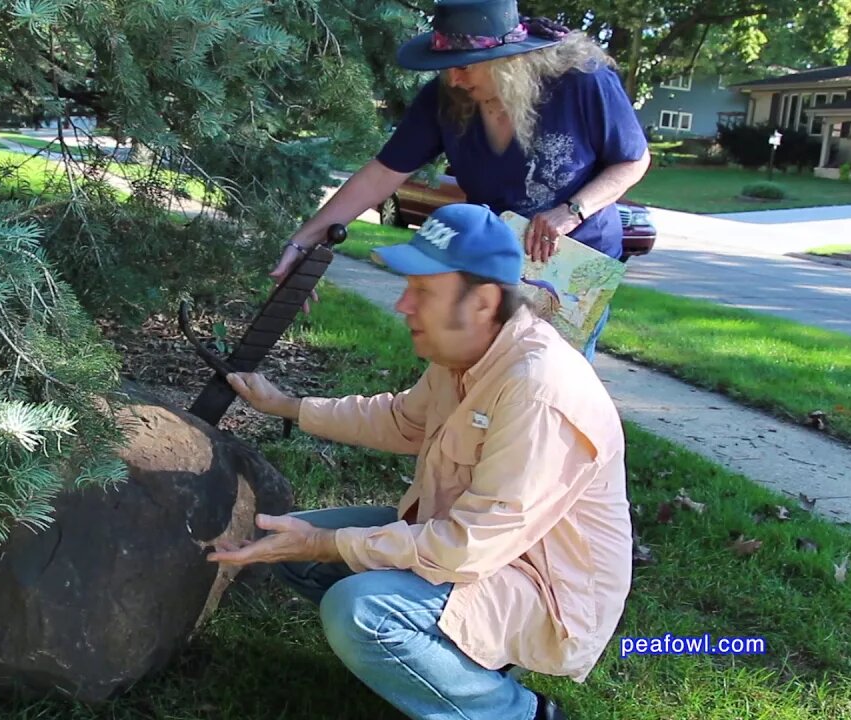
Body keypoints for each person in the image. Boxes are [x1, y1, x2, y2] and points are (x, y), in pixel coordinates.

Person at [210, 203, 633, 720]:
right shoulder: (466, 354)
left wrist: (330, 544)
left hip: (540, 590)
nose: (402, 305)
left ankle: (517, 710)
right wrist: (288, 406)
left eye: (424, 291)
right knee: (296, 545)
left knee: (360, 611)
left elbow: (467, 548)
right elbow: (403, 420)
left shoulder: (540, 392)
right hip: (472, 548)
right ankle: (445, 665)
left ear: (482, 302)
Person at [274, 0, 651, 361]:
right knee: (473, 380)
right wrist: (304, 238)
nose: (453, 77)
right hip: (492, 264)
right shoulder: (446, 98)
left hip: (572, 265)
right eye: (447, 65)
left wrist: (571, 211)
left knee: (548, 385)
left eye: (466, 66)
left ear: (509, 61)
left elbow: (633, 161)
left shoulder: (582, 82)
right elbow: (383, 173)